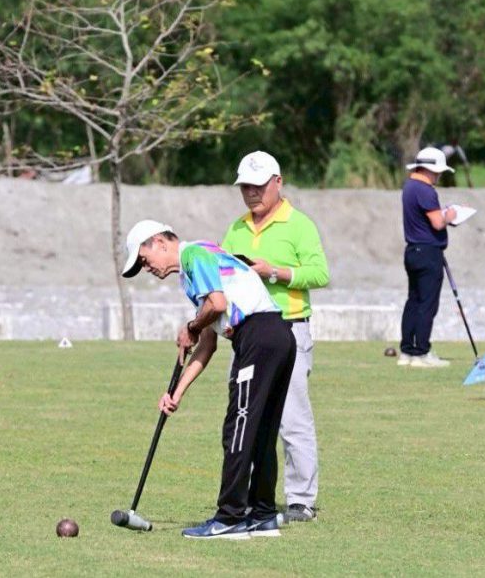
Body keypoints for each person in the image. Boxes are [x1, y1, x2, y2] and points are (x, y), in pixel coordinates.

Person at [122, 219, 295, 540]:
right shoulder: (195, 271)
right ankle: (263, 515)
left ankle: (229, 518)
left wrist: (192, 325)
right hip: (278, 337)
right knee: (259, 431)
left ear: (159, 242)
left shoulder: (194, 255)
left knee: (238, 428)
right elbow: (207, 345)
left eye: (144, 260)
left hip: (258, 336)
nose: (147, 268)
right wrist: (175, 392)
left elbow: (217, 305)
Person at [220, 151, 329, 523]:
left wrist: (275, 272)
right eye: (245, 187)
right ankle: (252, 495)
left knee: (292, 417)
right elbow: (225, 278)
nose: (252, 193)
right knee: (246, 416)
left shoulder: (300, 225)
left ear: (277, 182)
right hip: (248, 335)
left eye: (259, 185)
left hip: (290, 328)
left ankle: (300, 499)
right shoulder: (235, 229)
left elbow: (319, 273)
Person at [399, 146, 456, 368]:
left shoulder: (409, 187)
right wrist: (449, 215)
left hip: (413, 251)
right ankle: (421, 352)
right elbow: (437, 222)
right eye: (438, 171)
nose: (439, 176)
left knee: (413, 300)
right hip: (428, 252)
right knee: (427, 303)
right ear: (431, 170)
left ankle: (407, 351)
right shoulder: (425, 190)